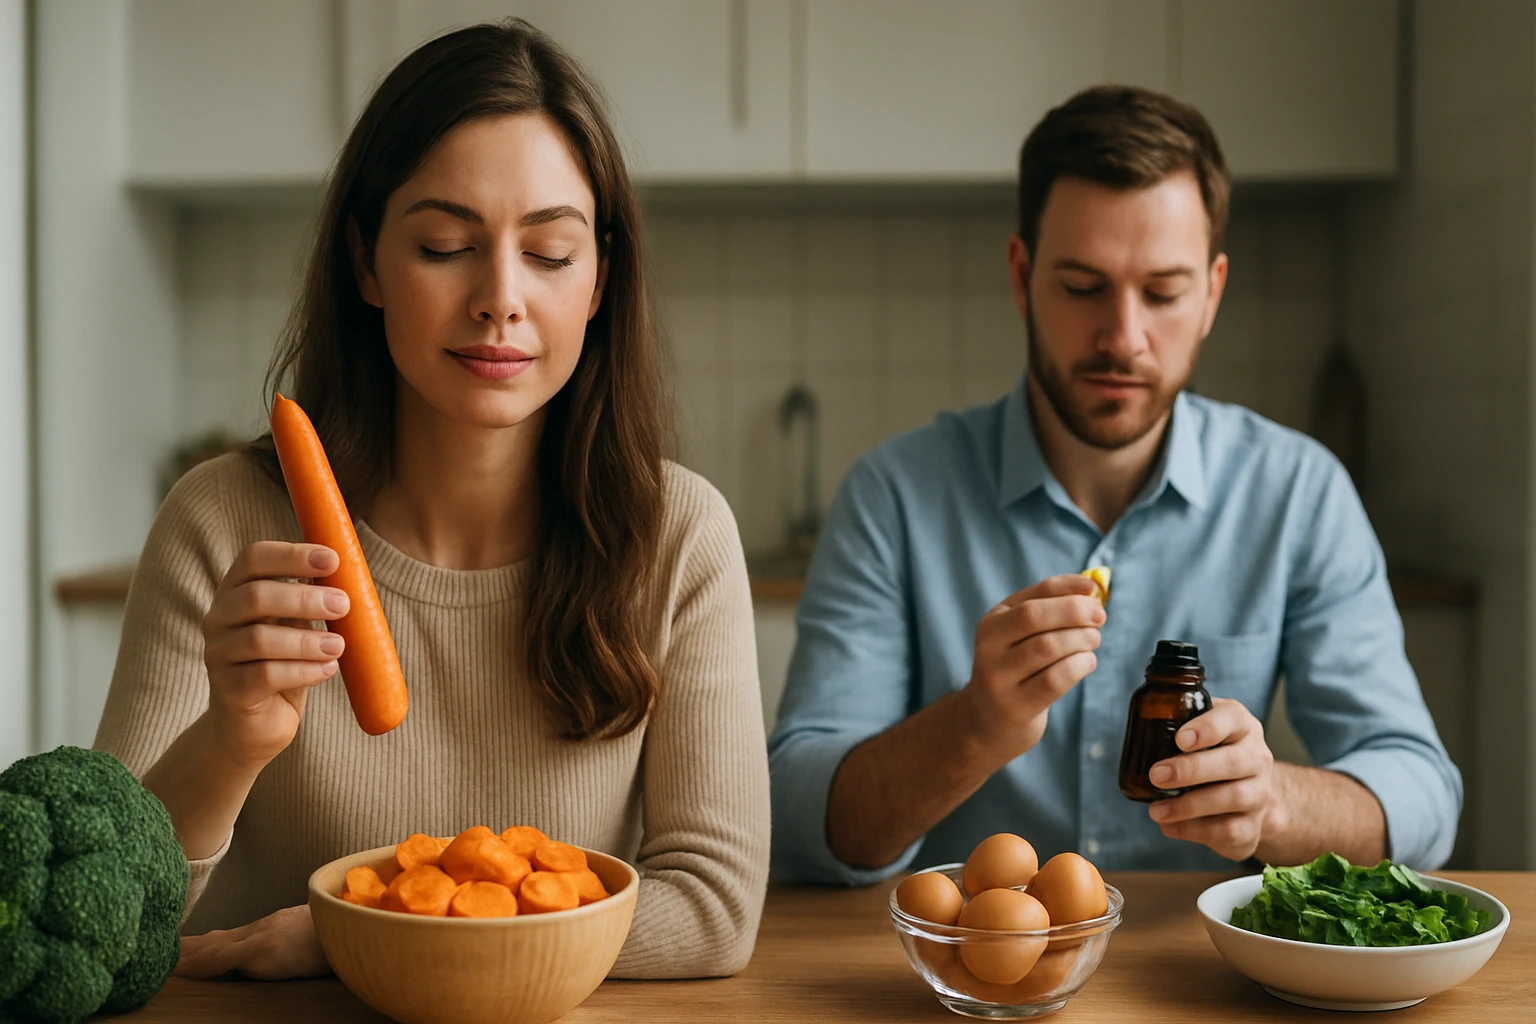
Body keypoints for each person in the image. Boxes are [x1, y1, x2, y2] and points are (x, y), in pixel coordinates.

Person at [94, 20, 769, 980]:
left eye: (549, 253)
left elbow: (711, 909)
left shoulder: (678, 537)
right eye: (447, 245)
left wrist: (361, 939)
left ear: (600, 282)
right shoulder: (223, 523)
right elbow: (107, 919)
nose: (500, 297)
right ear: (366, 262)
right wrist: (232, 735)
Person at [768, 85, 1462, 884]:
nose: (1123, 338)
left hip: (1207, 985)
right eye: (1082, 287)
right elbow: (797, 813)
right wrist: (972, 728)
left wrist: (1272, 803)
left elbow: (1423, 798)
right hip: (966, 988)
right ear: (1022, 276)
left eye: (1163, 293)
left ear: (1212, 294)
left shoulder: (1298, 494)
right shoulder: (893, 496)